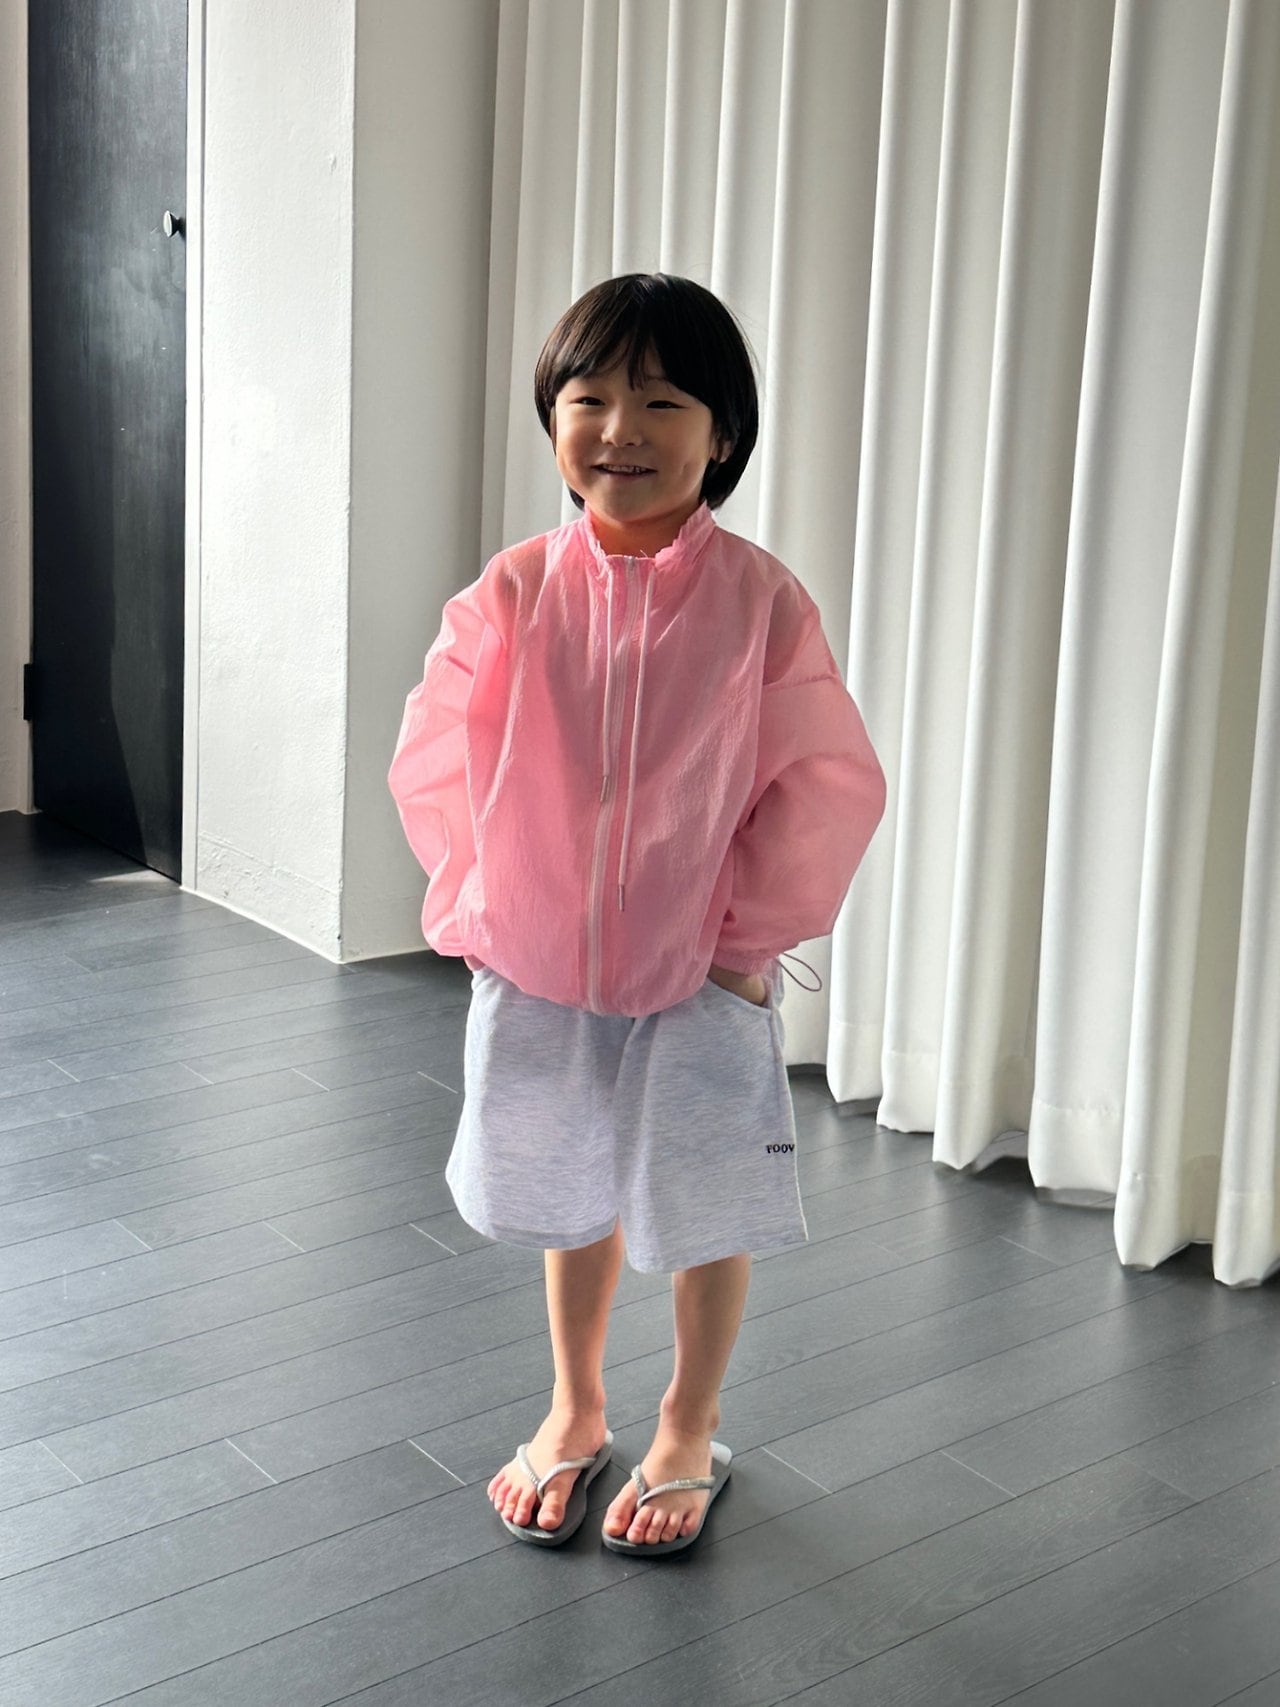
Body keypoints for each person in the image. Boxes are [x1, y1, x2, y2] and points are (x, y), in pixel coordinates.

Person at [387, 273, 886, 1557]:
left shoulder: (760, 604)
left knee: (704, 1199)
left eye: (661, 402)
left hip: (700, 971)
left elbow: (823, 781)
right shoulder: (512, 591)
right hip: (538, 961)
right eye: (590, 398)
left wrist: (742, 942)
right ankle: (574, 1406)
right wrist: (480, 911)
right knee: (567, 1186)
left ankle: (687, 1424)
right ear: (552, 419)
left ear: (720, 434)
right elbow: (435, 762)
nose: (621, 428)